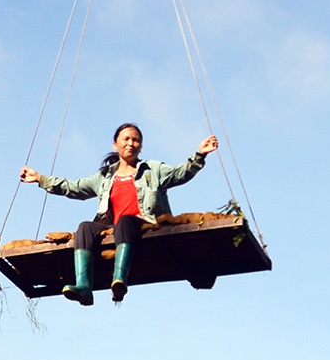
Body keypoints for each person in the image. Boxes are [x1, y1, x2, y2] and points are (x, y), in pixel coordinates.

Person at [20, 124, 218, 304]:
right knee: (85, 227)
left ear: (140, 146)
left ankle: (119, 279)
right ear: (116, 144)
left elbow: (179, 173)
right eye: (126, 139)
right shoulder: (105, 176)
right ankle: (84, 287)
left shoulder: (152, 169)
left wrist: (200, 155)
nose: (131, 143)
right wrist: (40, 179)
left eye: (136, 140)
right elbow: (74, 188)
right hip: (112, 226)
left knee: (125, 222)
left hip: (142, 223)